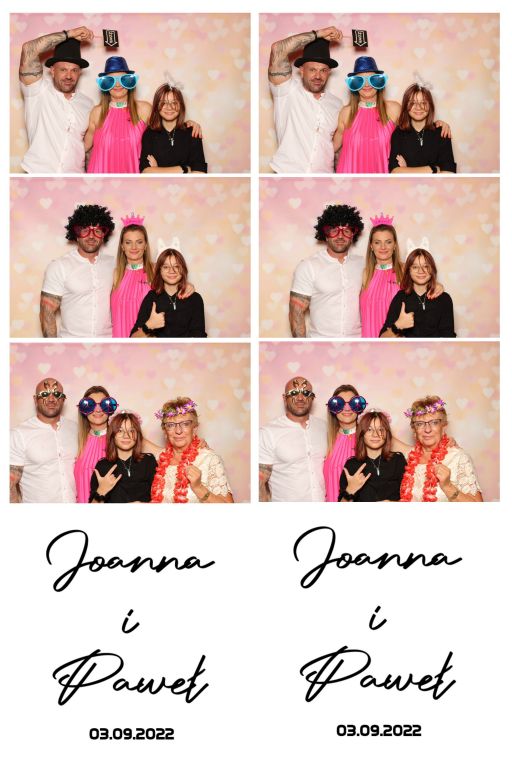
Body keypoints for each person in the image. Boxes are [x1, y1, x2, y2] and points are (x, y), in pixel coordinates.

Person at [19, 27, 93, 173]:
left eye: (74, 70)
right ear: (52, 71)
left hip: (75, 177)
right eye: (63, 69)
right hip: (38, 174)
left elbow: (86, 147)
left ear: (79, 72)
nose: (69, 76)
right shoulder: (37, 90)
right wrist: (69, 34)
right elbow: (28, 49)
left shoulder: (88, 103)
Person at [268, 27, 342, 173]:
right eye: (312, 70)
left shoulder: (337, 104)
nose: (318, 76)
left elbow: (334, 146)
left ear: (329, 72)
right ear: (302, 70)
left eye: (323, 70)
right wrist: (319, 34)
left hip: (324, 176)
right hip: (287, 173)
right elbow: (277, 49)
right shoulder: (286, 90)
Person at [40, 204, 115, 338]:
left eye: (97, 231)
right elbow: (47, 314)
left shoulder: (115, 264)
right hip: (71, 343)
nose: (91, 236)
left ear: (104, 235)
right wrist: (53, 346)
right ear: (77, 235)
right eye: (85, 230)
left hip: (108, 343)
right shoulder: (59, 266)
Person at [289, 204, 364, 337]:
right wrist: (303, 346)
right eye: (334, 230)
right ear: (326, 235)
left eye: (346, 231)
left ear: (353, 235)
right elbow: (296, 313)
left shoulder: (364, 264)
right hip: (320, 343)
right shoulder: (308, 266)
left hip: (357, 343)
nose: (340, 236)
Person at [151, 398, 233, 503]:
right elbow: (135, 441)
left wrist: (199, 488)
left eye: (185, 424)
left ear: (194, 429)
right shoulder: (158, 458)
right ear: (165, 431)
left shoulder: (209, 459)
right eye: (171, 425)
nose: (178, 431)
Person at [400, 397, 482, 502]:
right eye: (420, 424)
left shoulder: (458, 457)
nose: (427, 429)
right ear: (414, 430)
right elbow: (384, 438)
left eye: (434, 422)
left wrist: (448, 486)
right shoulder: (406, 456)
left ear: (443, 427)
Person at [10, 377, 76, 503]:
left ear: (63, 399)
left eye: (56, 394)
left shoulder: (75, 429)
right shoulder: (18, 434)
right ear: (35, 399)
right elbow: (9, 484)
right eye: (44, 394)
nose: (51, 399)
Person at [259, 376, 325, 502]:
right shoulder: (268, 433)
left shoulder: (324, 427)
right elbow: (260, 482)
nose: (300, 398)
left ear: (312, 398)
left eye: (306, 393)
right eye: (294, 393)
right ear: (285, 398)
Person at [85, 56, 151, 173]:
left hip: (133, 177)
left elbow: (162, 137)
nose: (117, 85)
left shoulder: (144, 109)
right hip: (100, 177)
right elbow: (83, 147)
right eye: (111, 80)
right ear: (105, 84)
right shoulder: (97, 112)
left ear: (130, 81)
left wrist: (186, 126)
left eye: (123, 79)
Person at [334, 56, 399, 174]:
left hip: (383, 176)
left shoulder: (393, 109)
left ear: (379, 81)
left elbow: (413, 135)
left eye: (372, 79)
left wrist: (437, 126)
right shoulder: (346, 112)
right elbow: (331, 148)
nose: (367, 84)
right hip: (349, 177)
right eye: (360, 80)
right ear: (354, 84)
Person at [380, 248, 456, 337]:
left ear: (432, 269)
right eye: (415, 267)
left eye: (426, 266)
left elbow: (449, 337)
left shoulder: (444, 299)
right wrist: (398, 326)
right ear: (409, 271)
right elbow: (382, 338)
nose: (421, 271)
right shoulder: (400, 298)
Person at [130, 249, 206, 338]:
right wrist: (149, 326)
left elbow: (200, 337)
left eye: (176, 266)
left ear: (183, 269)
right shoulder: (151, 297)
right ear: (160, 270)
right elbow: (133, 338)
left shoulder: (195, 299)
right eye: (166, 267)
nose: (171, 271)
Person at [89, 411, 157, 503]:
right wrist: (101, 491)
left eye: (131, 431)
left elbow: (160, 499)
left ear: (137, 435)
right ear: (112, 435)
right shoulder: (102, 465)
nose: (126, 436)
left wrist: (143, 505)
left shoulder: (149, 461)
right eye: (120, 431)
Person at [338, 410, 406, 502]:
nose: (375, 434)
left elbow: (410, 498)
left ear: (387, 434)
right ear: (362, 434)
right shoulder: (352, 465)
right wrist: (350, 490)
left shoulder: (398, 460)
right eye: (369, 429)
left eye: (380, 429)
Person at [140, 83, 207, 174]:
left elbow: (200, 172)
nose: (169, 107)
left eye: (174, 103)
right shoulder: (149, 134)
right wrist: (185, 169)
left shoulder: (192, 132)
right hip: (158, 184)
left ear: (181, 106)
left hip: (186, 185)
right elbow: (146, 171)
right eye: (163, 103)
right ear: (156, 106)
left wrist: (158, 170)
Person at [389, 84, 456, 174]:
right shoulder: (398, 134)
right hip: (407, 184)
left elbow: (449, 172)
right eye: (413, 103)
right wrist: (434, 169)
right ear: (406, 106)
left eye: (423, 103)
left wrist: (407, 170)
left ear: (430, 106)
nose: (418, 107)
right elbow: (395, 171)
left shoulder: (442, 132)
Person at [110, 214, 154, 338]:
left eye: (139, 242)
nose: (134, 247)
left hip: (147, 342)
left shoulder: (155, 271)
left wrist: (187, 286)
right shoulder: (116, 274)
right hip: (119, 342)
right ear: (122, 246)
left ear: (145, 245)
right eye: (128, 242)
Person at [360, 214, 403, 337]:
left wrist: (437, 286)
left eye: (388, 242)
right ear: (371, 246)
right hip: (368, 341)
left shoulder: (405, 270)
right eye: (377, 242)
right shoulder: (365, 274)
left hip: (395, 341)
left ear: (395, 245)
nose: (383, 247)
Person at [74, 385, 119, 503]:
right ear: (83, 410)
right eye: (90, 404)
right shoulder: (77, 440)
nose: (98, 410)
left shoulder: (120, 438)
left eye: (104, 404)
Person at [323, 384, 367, 502]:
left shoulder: (369, 437)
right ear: (333, 409)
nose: (347, 409)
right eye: (339, 403)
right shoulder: (325, 439)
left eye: (353, 403)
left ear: (359, 407)